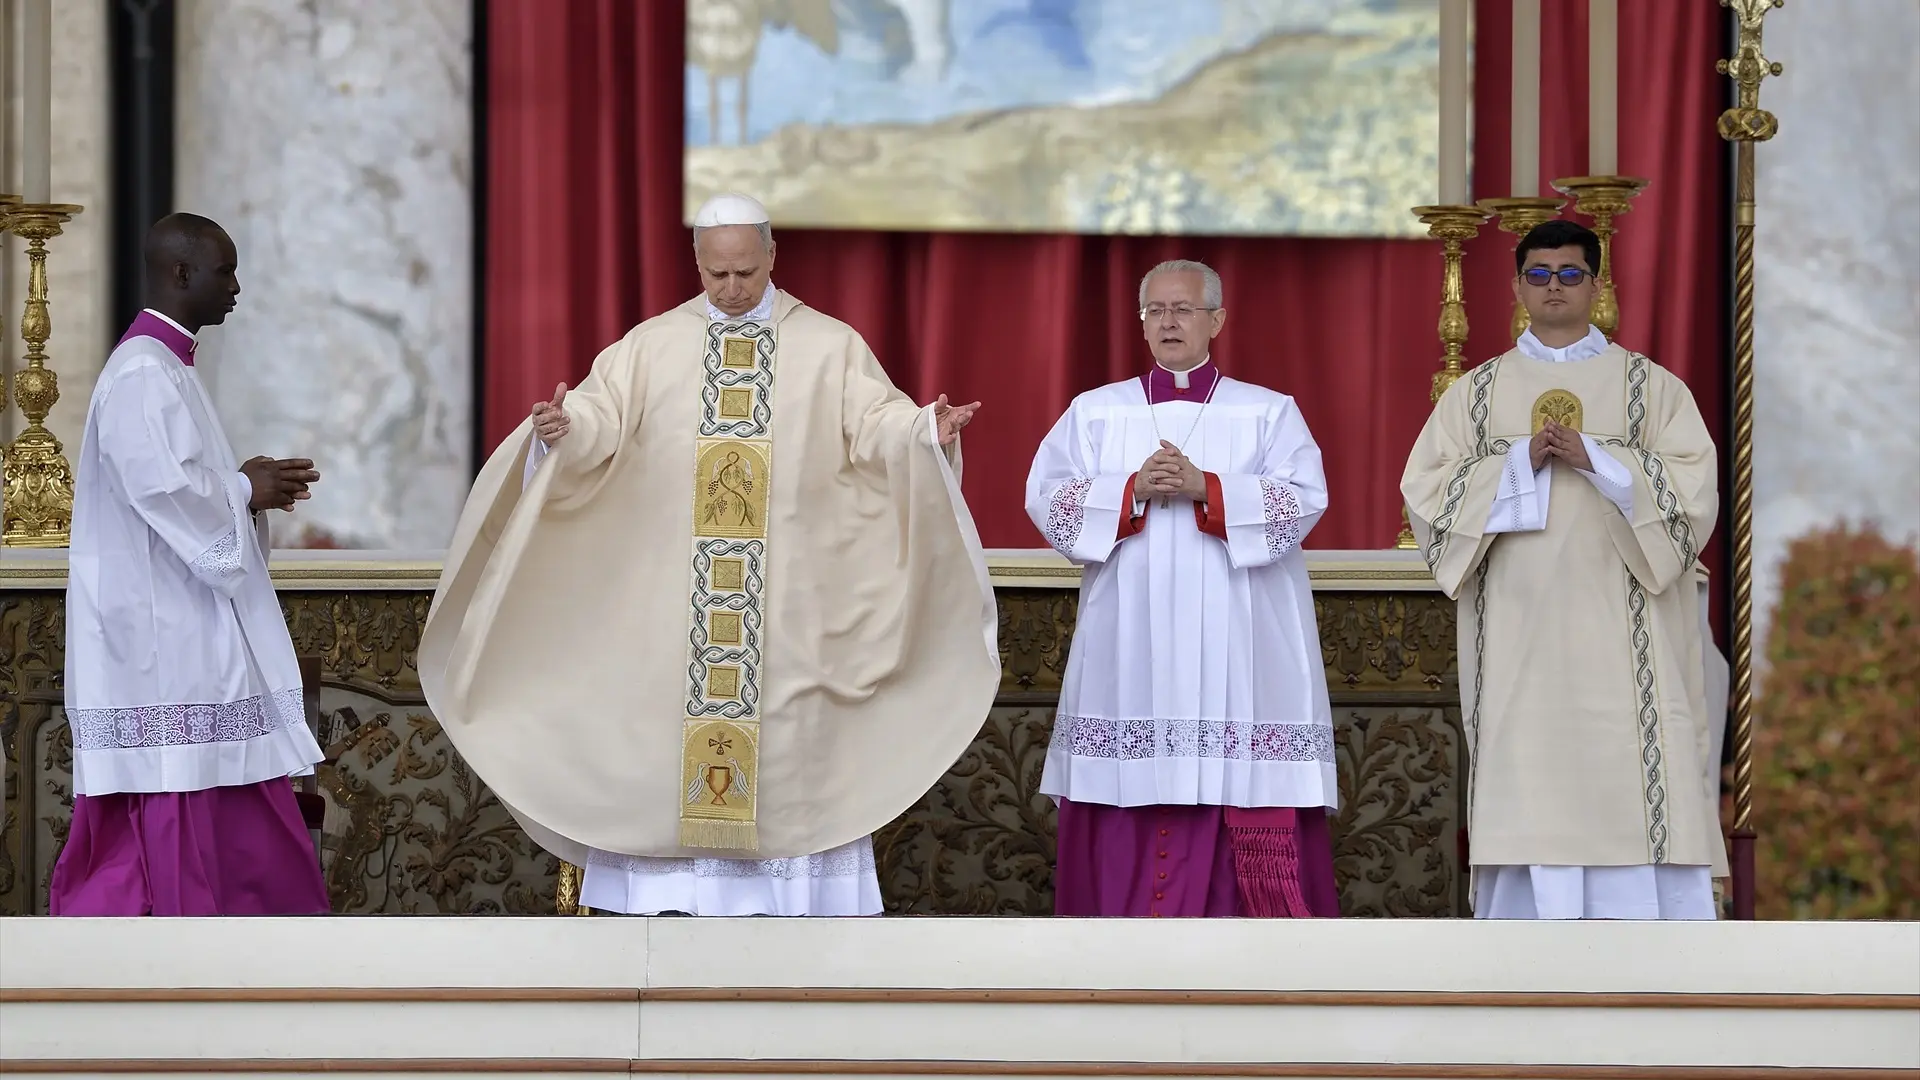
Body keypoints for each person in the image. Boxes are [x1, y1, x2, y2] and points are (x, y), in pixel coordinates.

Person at [420, 192, 1000, 917]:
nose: (731, 290)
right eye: (717, 274)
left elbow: (876, 427)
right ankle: (666, 913)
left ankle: (792, 925)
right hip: (678, 616)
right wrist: (565, 429)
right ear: (697, 263)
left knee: (791, 759)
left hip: (789, 610)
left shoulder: (828, 345)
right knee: (661, 756)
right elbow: (606, 421)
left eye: (746, 273)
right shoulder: (653, 344)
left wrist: (924, 431)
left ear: (772, 257)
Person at [1401, 219, 1725, 920]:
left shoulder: (1652, 388)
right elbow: (1427, 493)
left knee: (1632, 779)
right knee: (1532, 786)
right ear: (1517, 286)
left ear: (1596, 284)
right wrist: (1521, 463)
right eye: (1540, 274)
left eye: (1570, 274)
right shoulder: (1476, 394)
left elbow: (1695, 494)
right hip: (1521, 627)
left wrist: (1599, 460)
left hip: (1624, 622)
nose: (1554, 287)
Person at [1025, 259, 1341, 918]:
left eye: (1184, 310)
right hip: (1129, 641)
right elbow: (1048, 501)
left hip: (1239, 644)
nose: (1169, 322)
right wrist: (1130, 489)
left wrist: (1209, 488)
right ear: (1142, 323)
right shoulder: (1097, 412)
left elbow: (1304, 500)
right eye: (1156, 311)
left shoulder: (1265, 412)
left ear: (1216, 320)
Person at [50, 213, 329, 916]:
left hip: (185, 635)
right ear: (181, 274)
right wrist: (241, 489)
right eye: (224, 270)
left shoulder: (166, 367)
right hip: (164, 646)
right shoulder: (143, 372)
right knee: (179, 805)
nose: (236, 286)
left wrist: (242, 485)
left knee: (224, 798)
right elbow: (163, 490)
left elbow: (173, 488)